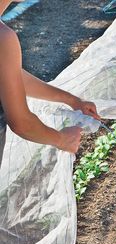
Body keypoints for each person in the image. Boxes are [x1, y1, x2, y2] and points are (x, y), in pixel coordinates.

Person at [0, 0, 100, 168]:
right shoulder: (3, 38)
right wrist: (62, 139)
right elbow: (22, 123)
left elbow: (9, 74)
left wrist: (71, 100)